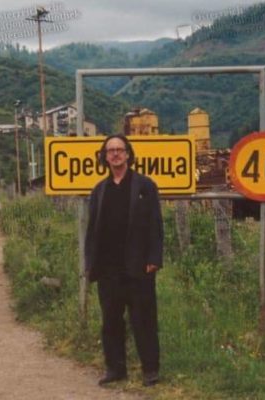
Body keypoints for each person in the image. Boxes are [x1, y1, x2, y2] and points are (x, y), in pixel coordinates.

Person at [84, 134, 164, 387]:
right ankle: (115, 368)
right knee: (110, 321)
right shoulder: (100, 190)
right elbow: (92, 230)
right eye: (111, 151)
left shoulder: (145, 186)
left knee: (144, 320)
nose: (116, 154)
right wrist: (90, 263)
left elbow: (155, 224)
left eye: (120, 150)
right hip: (108, 268)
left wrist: (154, 257)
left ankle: (150, 370)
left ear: (128, 154)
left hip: (139, 266)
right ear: (105, 156)